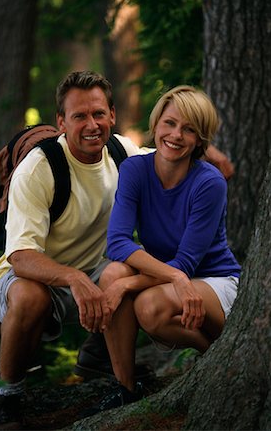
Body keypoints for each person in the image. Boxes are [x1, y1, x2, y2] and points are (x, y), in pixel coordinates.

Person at [0, 71, 235, 429]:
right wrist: (73, 278)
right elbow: (20, 257)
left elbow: (169, 151)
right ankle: (7, 400)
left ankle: (107, 365)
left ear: (112, 115)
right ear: (61, 122)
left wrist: (206, 145)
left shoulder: (121, 153)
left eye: (98, 114)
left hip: (98, 272)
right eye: (79, 116)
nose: (91, 124)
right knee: (29, 297)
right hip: (33, 275)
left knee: (118, 271)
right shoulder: (39, 168)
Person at [86, 85, 241, 414]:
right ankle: (126, 388)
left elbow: (187, 263)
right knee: (112, 272)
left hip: (214, 280)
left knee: (148, 305)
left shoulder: (209, 182)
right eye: (169, 123)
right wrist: (173, 278)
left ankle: (216, 356)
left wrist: (130, 284)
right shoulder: (135, 170)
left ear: (199, 140)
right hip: (172, 278)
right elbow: (118, 242)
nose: (176, 135)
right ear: (155, 125)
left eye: (188, 129)